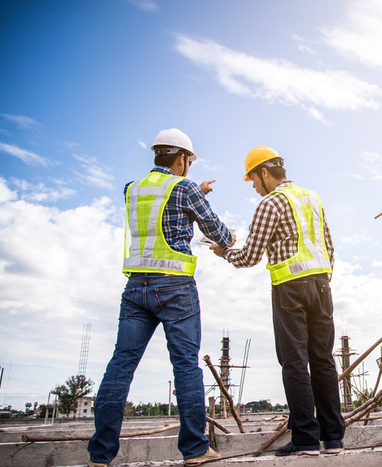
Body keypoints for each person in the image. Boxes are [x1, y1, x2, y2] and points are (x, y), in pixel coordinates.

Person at [88, 128, 234, 467]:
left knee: (120, 366)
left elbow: (160, 204)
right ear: (183, 159)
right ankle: (195, 451)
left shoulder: (132, 189)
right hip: (175, 288)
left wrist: (194, 191)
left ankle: (100, 454)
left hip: (135, 288)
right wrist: (228, 237)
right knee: (185, 366)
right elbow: (217, 231)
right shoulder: (184, 187)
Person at [210, 146, 345, 456]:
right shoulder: (311, 198)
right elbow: (328, 246)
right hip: (322, 285)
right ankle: (333, 439)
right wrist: (322, 279)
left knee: (294, 360)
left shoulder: (270, 204)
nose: (254, 186)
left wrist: (224, 251)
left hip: (289, 288)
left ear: (265, 173)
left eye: (253, 180)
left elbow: (248, 257)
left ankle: (307, 439)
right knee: (323, 360)